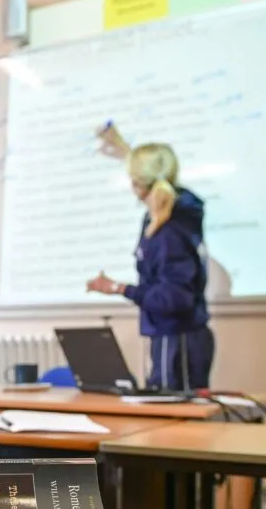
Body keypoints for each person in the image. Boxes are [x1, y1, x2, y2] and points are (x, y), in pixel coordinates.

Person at [86, 122, 215, 391]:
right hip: (175, 338)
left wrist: (119, 288)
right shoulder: (176, 214)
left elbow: (174, 298)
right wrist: (124, 151)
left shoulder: (168, 231)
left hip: (177, 341)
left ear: (137, 183)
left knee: (175, 425)